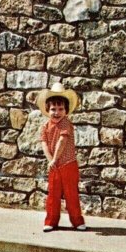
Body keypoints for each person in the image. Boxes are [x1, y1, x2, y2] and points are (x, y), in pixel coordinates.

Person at [37, 82, 86, 232]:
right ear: (47, 109)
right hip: (54, 165)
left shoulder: (66, 124)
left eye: (60, 109)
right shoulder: (45, 126)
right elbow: (44, 143)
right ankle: (51, 221)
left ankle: (77, 222)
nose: (57, 112)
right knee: (53, 194)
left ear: (66, 110)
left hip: (68, 164)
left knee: (71, 194)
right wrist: (50, 160)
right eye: (53, 109)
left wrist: (54, 159)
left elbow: (62, 142)